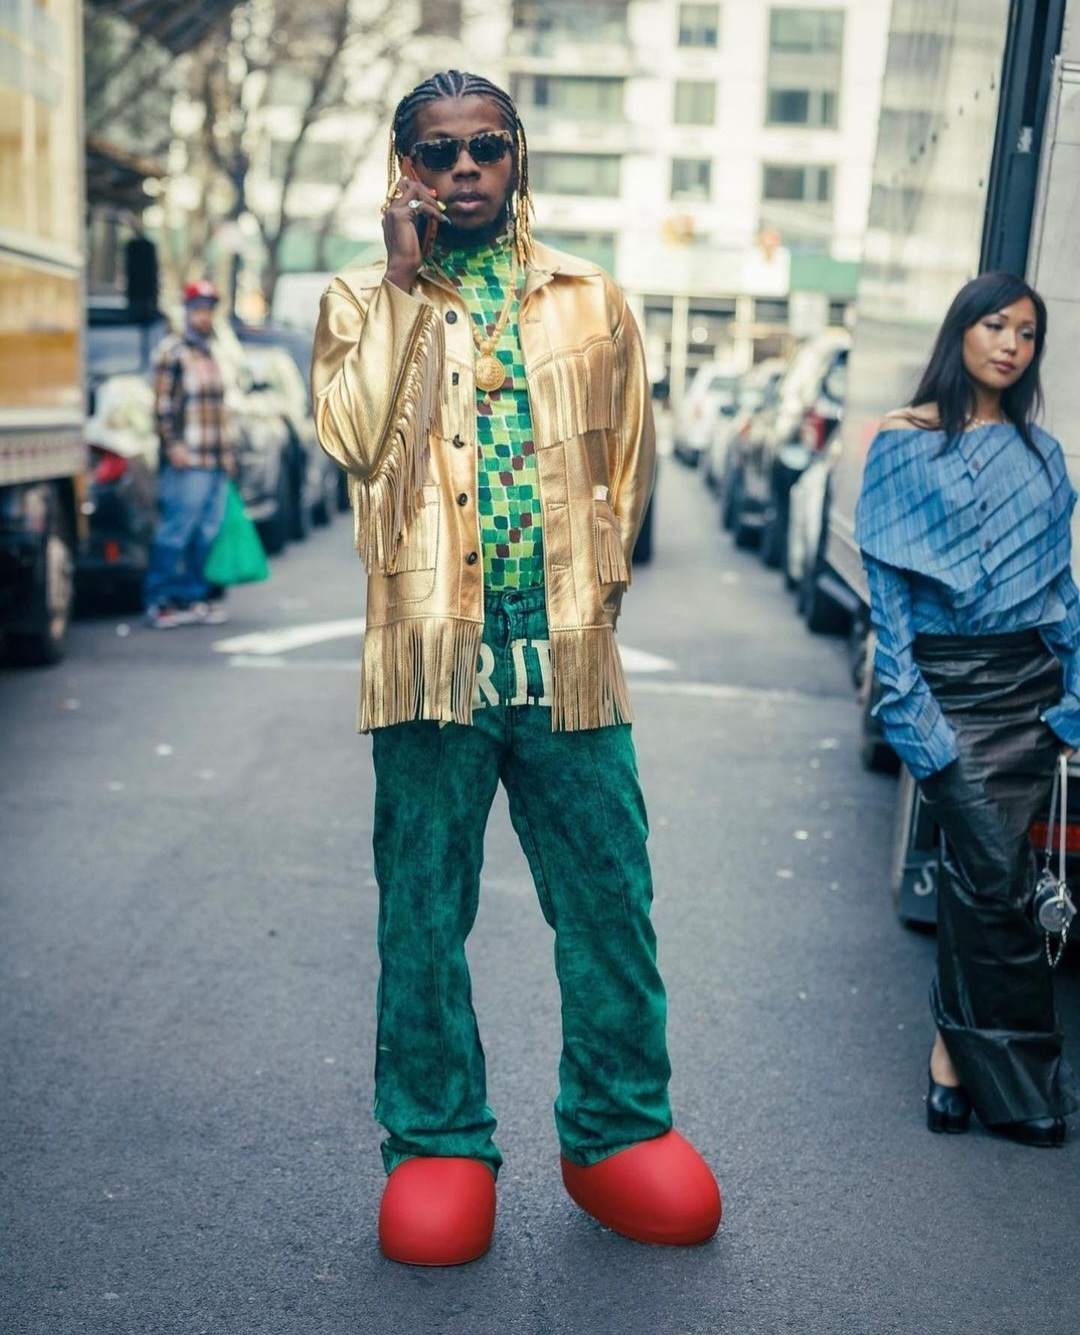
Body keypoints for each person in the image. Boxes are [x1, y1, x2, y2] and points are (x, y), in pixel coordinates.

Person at [311, 70, 721, 1265]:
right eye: (438, 153)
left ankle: (614, 1128)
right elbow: (350, 435)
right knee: (423, 915)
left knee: (609, 901)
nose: (465, 169)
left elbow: (627, 473)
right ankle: (438, 1139)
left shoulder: (593, 300)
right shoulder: (356, 299)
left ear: (519, 157)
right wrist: (397, 280)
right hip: (428, 668)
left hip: (567, 665)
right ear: (405, 170)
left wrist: (585, 606)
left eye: (487, 146)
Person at [856, 271, 1080, 1148]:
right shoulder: (902, 444)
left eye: (1027, 334)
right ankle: (1023, 1080)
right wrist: (912, 713)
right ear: (961, 333)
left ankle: (952, 1059)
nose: (1011, 345)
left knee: (979, 878)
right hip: (945, 688)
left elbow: (1061, 589)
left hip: (1027, 691)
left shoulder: (1044, 454)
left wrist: (1072, 694)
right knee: (999, 879)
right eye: (996, 326)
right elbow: (890, 599)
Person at [144, 279, 235, 628]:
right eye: (198, 310)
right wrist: (173, 446)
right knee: (176, 531)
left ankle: (193, 597)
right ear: (186, 312)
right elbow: (163, 406)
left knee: (206, 533)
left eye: (209, 310)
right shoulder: (173, 352)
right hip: (188, 460)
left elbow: (219, 410)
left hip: (214, 459)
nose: (204, 317)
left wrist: (228, 454)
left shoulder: (211, 353)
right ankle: (159, 599)